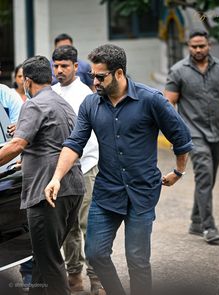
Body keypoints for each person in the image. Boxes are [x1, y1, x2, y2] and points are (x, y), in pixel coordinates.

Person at [45, 44, 193, 295]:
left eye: (100, 76)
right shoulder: (91, 104)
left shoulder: (151, 100)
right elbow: (74, 143)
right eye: (92, 75)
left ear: (120, 73)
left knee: (137, 259)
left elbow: (181, 138)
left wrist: (178, 172)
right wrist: (56, 177)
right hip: (107, 192)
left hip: (142, 193)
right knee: (95, 253)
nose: (95, 81)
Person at [0, 55, 85, 295]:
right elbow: (51, 144)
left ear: (27, 81)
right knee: (42, 257)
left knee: (48, 262)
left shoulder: (34, 104)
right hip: (72, 189)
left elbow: (17, 144)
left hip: (47, 194)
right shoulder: (61, 103)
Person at [164, 29, 219, 244]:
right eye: (194, 46)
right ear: (188, 46)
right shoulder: (178, 71)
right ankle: (208, 227)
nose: (197, 49)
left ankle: (196, 221)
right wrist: (175, 134)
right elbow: (169, 104)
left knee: (209, 178)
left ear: (209, 45)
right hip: (193, 134)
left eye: (201, 46)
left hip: (217, 132)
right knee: (204, 175)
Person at [52, 45, 105, 295]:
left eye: (64, 66)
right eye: (56, 66)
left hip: (85, 168)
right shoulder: (50, 93)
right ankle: (75, 276)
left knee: (88, 225)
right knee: (68, 227)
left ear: (75, 66)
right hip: (60, 172)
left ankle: (96, 278)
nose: (59, 70)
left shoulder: (87, 94)